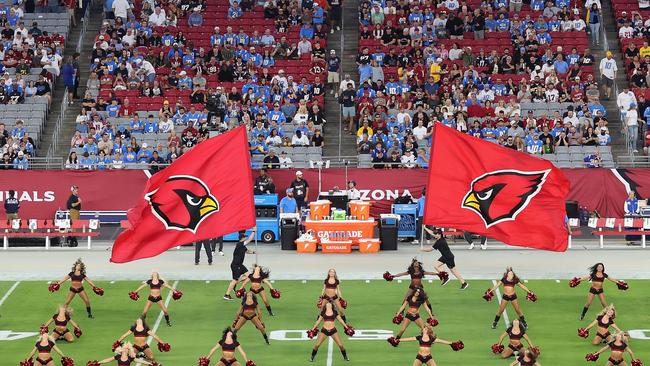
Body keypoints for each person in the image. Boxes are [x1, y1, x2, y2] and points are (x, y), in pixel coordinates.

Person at [388, 325, 463, 366]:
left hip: (428, 358)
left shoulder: (431, 339)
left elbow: (441, 341)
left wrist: (451, 343)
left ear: (427, 330)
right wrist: (398, 340)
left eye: (425, 328)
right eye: (424, 328)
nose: (423, 328)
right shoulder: (419, 337)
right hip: (419, 357)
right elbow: (410, 339)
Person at [224, 229, 256, 300]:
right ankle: (227, 294)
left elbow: (247, 251)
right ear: (242, 238)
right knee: (235, 279)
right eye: (245, 237)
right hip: (236, 265)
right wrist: (254, 231)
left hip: (240, 265)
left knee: (249, 276)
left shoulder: (242, 246)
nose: (246, 238)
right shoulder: (240, 244)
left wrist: (253, 252)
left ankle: (236, 285)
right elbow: (250, 239)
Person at [87, 342, 156, 365]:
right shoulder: (118, 357)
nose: (126, 349)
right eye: (125, 348)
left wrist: (151, 364)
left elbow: (141, 361)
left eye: (127, 349)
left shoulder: (130, 358)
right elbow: (108, 360)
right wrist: (98, 362)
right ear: (122, 350)